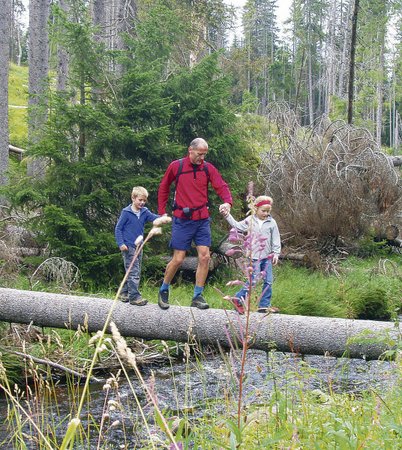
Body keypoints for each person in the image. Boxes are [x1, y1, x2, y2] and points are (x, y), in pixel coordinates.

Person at [157, 137, 232, 310]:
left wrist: (227, 201)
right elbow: (164, 187)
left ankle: (197, 296)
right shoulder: (177, 166)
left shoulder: (208, 168)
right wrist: (162, 212)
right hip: (182, 220)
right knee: (178, 259)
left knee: (205, 256)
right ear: (190, 150)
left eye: (205, 154)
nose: (202, 158)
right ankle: (164, 289)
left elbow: (221, 186)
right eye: (200, 154)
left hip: (202, 219)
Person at [221, 195, 281, 314]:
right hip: (254, 257)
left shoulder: (271, 222)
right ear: (256, 209)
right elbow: (237, 226)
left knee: (268, 281)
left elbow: (276, 239)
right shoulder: (250, 220)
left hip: (267, 256)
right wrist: (227, 215)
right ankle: (237, 299)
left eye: (268, 211)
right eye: (263, 211)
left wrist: (276, 253)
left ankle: (264, 305)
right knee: (253, 281)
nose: (266, 213)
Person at [115, 186, 160, 306]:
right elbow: (118, 228)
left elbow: (153, 218)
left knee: (133, 270)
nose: (142, 203)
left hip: (139, 246)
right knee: (133, 272)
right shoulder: (126, 212)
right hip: (128, 246)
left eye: (144, 201)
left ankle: (123, 293)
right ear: (133, 198)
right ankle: (134, 297)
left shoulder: (144, 212)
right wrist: (121, 243)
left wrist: (164, 218)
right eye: (140, 200)